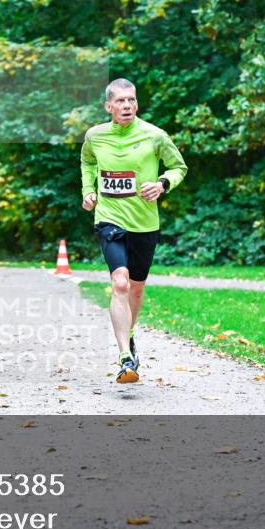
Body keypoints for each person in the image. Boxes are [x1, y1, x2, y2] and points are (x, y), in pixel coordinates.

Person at [80, 78, 187, 384]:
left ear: (136, 103)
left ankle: (129, 334)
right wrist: (89, 190)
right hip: (110, 218)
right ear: (108, 106)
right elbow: (87, 162)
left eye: (132, 100)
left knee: (137, 287)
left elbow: (178, 167)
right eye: (121, 101)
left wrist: (162, 184)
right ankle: (125, 355)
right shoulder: (96, 136)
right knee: (121, 283)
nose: (127, 106)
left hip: (145, 222)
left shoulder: (155, 135)